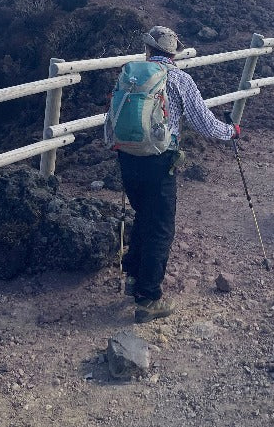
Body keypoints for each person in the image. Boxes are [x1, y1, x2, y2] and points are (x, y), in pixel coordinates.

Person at [117, 26, 239, 323]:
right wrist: (231, 131)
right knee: (160, 226)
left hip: (127, 155)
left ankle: (134, 277)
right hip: (159, 160)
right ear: (173, 53)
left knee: (142, 216)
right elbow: (205, 124)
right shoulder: (181, 79)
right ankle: (148, 299)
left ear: (148, 49)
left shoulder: (129, 73)